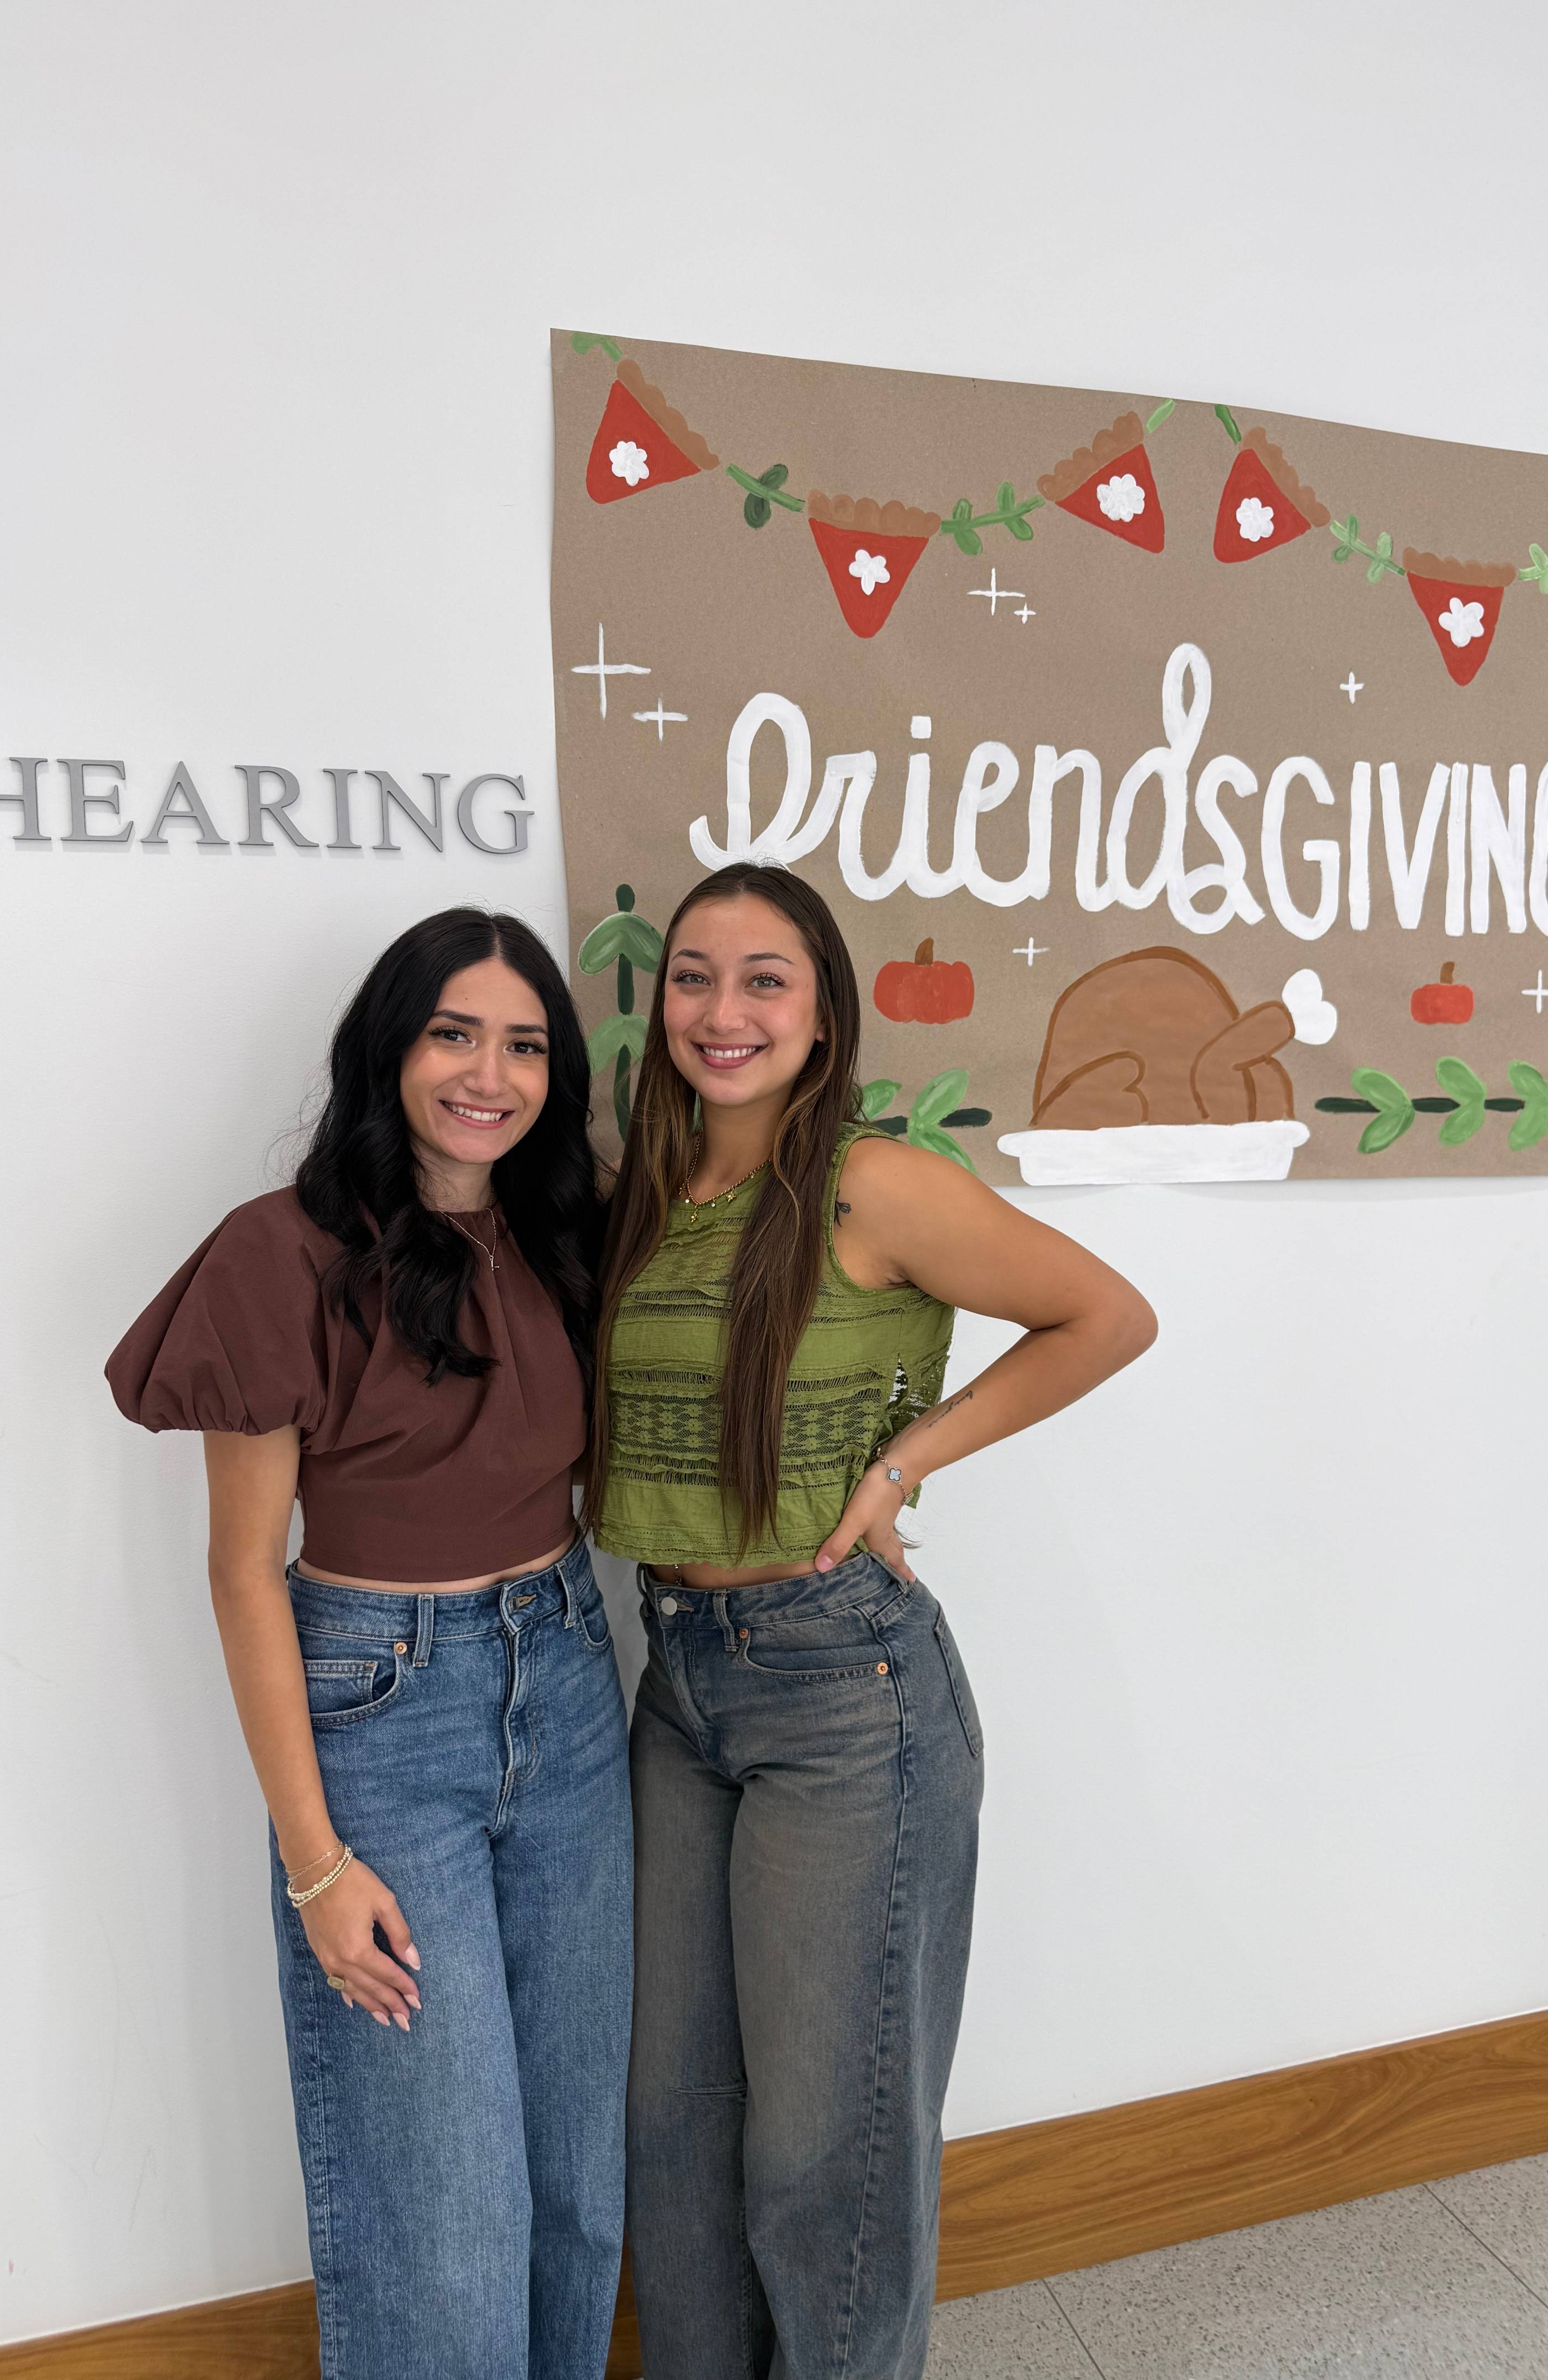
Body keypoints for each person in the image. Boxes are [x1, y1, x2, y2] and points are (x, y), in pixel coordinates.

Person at [586, 861, 1158, 2380]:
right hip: (680, 1685)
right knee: (672, 2133)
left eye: (765, 978)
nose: (723, 1010)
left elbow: (1108, 1314)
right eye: (694, 975)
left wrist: (903, 1461)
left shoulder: (871, 1180)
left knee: (823, 2157)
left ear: (826, 1012)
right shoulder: (640, 1186)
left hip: (847, 1688)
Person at [106, 908, 630, 2380]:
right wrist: (315, 1862)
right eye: (455, 1032)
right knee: (442, 2209)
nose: (492, 1071)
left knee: (577, 2182)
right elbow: (240, 1573)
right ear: (388, 1046)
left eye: (525, 1042)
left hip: (572, 1687)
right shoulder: (281, 1255)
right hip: (384, 1708)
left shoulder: (561, 1230)